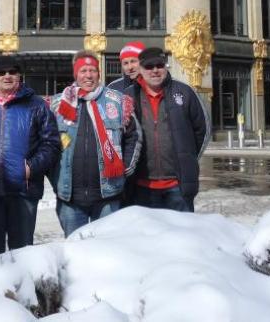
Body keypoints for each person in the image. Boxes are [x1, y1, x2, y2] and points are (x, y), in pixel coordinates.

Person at [0, 56, 60, 260]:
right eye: (1, 72)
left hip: (23, 192)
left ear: (19, 75)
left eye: (12, 71)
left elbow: (51, 144)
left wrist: (31, 167)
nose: (7, 76)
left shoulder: (36, 105)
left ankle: (23, 292)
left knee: (23, 253)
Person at [50, 51, 141, 236]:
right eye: (83, 70)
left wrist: (125, 168)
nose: (88, 75)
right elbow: (47, 143)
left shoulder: (117, 101)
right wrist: (55, 176)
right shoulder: (57, 105)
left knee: (106, 252)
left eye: (92, 70)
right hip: (70, 198)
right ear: (75, 74)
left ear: (99, 73)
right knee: (75, 253)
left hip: (108, 195)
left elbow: (134, 136)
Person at [125, 47, 210, 212]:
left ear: (166, 66)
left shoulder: (185, 92)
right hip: (141, 187)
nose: (155, 70)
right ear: (141, 70)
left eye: (159, 65)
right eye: (149, 67)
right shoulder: (128, 97)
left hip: (177, 186)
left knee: (182, 236)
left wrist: (187, 158)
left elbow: (203, 130)